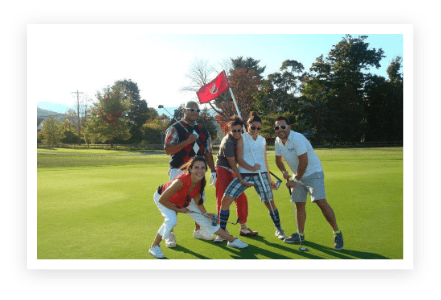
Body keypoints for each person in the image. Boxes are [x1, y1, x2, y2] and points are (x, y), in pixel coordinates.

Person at [149, 156, 248, 259]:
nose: (200, 171)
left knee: (206, 221)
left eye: (203, 168)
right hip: (163, 198)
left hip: (185, 200)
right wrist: (179, 210)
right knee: (172, 220)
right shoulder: (179, 182)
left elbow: (197, 200)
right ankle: (154, 247)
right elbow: (162, 200)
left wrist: (206, 214)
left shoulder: (200, 181)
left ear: (206, 169)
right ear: (190, 169)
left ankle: (232, 240)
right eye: (196, 167)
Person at [273, 116, 343, 250]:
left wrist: (295, 180)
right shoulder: (277, 141)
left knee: (320, 201)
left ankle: (337, 232)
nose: (280, 130)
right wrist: (284, 171)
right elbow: (278, 160)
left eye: (283, 126)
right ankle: (300, 234)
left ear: (289, 127)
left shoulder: (297, 138)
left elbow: (304, 161)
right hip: (297, 175)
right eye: (277, 127)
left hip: (312, 172)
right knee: (299, 204)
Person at [220, 111, 287, 240]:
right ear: (247, 125)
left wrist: (269, 178)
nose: (256, 130)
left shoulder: (262, 140)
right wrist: (251, 167)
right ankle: (222, 232)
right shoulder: (242, 137)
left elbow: (264, 160)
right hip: (244, 174)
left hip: (261, 175)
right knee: (225, 200)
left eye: (258, 128)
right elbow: (239, 159)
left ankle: (279, 229)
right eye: (253, 127)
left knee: (270, 203)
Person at [163, 101, 217, 246]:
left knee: (198, 200)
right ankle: (169, 233)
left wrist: (213, 169)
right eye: (191, 109)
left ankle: (198, 230)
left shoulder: (203, 130)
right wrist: (187, 141)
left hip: (198, 171)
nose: (195, 112)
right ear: (184, 110)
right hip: (178, 170)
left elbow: (207, 152)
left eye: (197, 110)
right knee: (173, 201)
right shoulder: (175, 128)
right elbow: (168, 150)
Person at [214, 115, 259, 242]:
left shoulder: (244, 138)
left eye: (239, 130)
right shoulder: (228, 142)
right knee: (222, 200)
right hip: (223, 170)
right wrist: (242, 180)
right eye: (234, 130)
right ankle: (221, 230)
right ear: (229, 130)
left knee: (241, 198)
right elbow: (234, 164)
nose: (237, 133)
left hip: (232, 171)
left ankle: (243, 227)